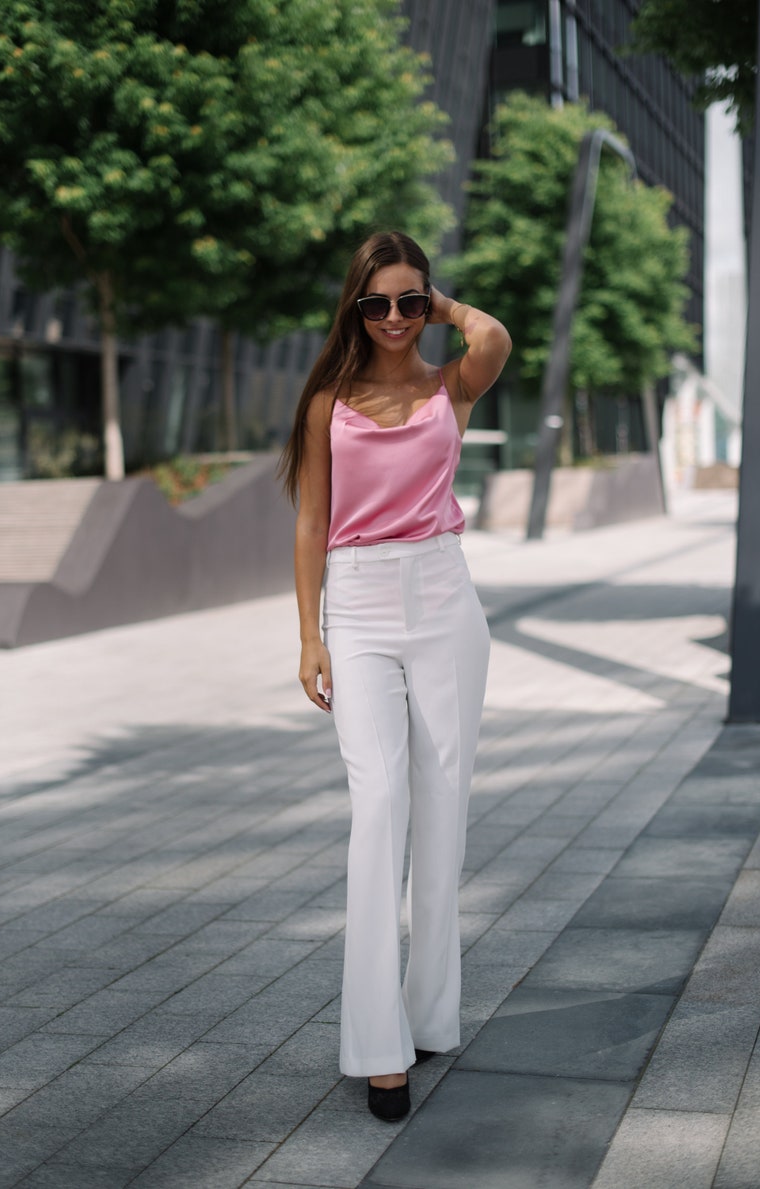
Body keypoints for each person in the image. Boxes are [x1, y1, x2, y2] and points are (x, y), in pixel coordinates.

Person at [279, 230, 511, 1121]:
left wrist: (445, 306)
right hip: (364, 607)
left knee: (444, 808)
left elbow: (493, 339)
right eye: (376, 303)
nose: (392, 318)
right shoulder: (328, 402)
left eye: (409, 301)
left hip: (447, 596)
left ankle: (430, 1014)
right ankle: (379, 1047)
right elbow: (309, 525)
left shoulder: (449, 382)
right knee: (379, 806)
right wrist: (311, 635)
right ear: (353, 308)